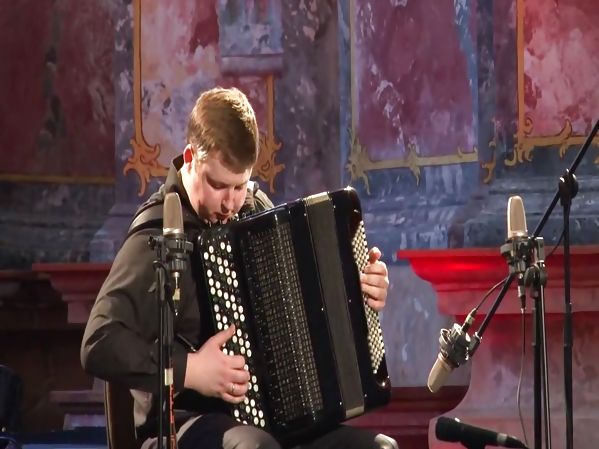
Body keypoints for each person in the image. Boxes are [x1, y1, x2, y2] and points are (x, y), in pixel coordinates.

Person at [81, 87, 392, 449]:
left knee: (378, 448)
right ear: (190, 158)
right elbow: (98, 342)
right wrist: (190, 370)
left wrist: (358, 289)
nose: (230, 203)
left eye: (240, 185)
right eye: (218, 185)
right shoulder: (156, 235)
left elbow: (300, 308)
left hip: (270, 421)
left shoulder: (254, 210)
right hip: (183, 423)